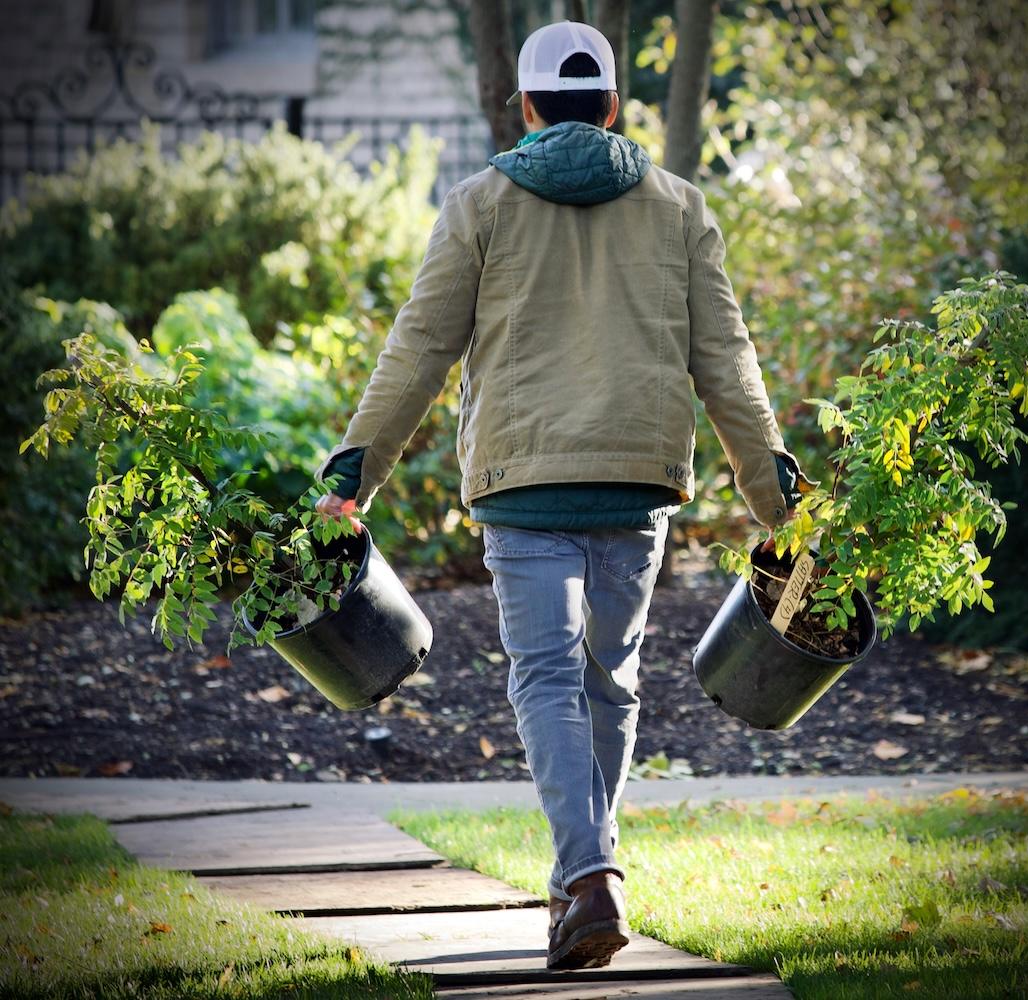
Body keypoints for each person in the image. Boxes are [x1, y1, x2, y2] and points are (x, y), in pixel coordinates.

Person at [314, 19, 806, 971]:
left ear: (529, 107)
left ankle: (589, 877)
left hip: (524, 481)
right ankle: (584, 879)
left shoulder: (479, 203)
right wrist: (779, 498)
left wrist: (352, 475)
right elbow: (728, 365)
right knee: (609, 682)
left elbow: (418, 352)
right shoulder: (676, 206)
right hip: (636, 482)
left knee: (544, 678)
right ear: (613, 107)